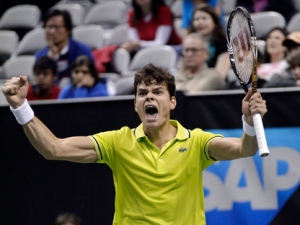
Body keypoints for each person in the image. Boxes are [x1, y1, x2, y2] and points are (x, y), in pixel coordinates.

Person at [1, 63, 267, 224]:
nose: (149, 97)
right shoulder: (118, 142)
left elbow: (246, 148)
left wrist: (248, 121)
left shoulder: (196, 142)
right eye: (142, 93)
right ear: (136, 104)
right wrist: (20, 107)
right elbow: (53, 149)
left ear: (172, 102)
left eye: (157, 92)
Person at [35, 9, 94, 86]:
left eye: (57, 27)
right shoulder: (40, 56)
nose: (52, 31)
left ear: (68, 29)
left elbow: (90, 78)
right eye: (49, 27)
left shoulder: (82, 50)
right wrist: (53, 59)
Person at [188, 4, 231, 80]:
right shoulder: (188, 44)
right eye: (197, 19)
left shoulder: (223, 43)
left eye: (204, 18)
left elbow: (219, 77)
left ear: (214, 22)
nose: (200, 22)